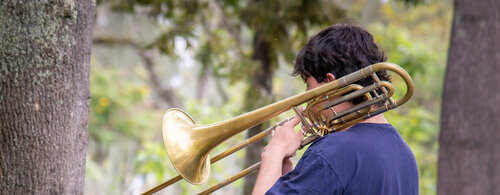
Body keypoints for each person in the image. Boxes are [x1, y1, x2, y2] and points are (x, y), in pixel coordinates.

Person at [252, 24, 419, 194]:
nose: (306, 97)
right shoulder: (404, 154)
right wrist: (287, 177)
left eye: (308, 86)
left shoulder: (333, 151)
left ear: (330, 84)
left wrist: (273, 154)